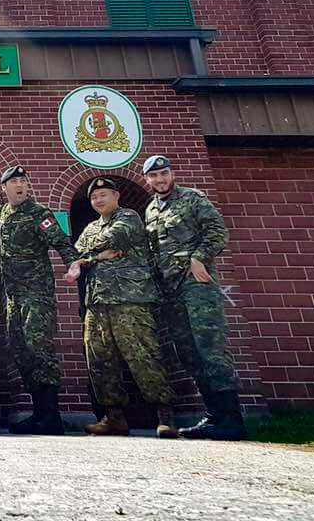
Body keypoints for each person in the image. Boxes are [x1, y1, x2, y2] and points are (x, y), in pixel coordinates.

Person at [0, 166, 84, 435]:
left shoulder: (39, 213)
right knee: (21, 351)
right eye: (12, 182)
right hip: (13, 297)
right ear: (4, 188)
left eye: (22, 181)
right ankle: (38, 413)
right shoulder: (3, 212)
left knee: (39, 348)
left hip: (35, 294)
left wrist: (72, 264)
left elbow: (61, 242)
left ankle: (51, 416)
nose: (18, 185)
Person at [142, 154, 246, 441]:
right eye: (154, 176)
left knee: (209, 347)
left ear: (171, 175)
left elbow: (217, 231)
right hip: (171, 290)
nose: (160, 180)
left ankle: (231, 419)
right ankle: (213, 417)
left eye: (164, 174)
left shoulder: (192, 198)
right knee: (188, 351)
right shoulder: (151, 210)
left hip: (196, 285)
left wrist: (199, 258)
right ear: (147, 179)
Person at [74, 177, 177, 439]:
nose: (99, 200)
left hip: (130, 299)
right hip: (97, 302)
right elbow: (76, 250)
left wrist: (90, 256)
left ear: (116, 196)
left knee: (142, 354)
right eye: (95, 198)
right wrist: (95, 256)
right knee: (99, 359)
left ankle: (165, 416)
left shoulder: (129, 217)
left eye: (104, 195)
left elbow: (114, 237)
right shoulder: (90, 227)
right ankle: (113, 418)